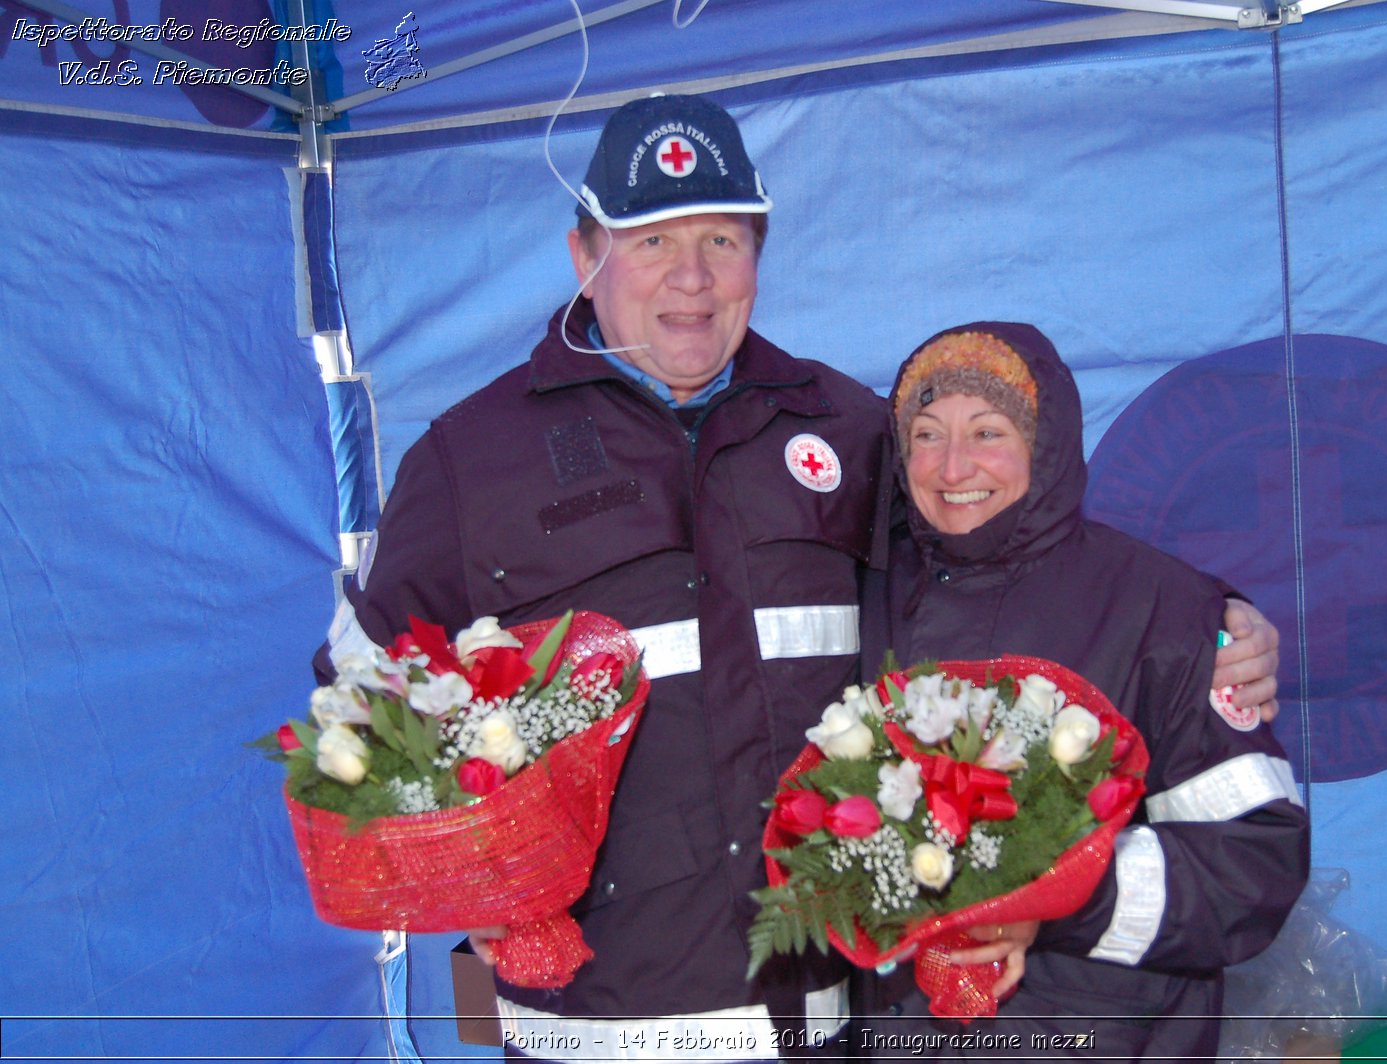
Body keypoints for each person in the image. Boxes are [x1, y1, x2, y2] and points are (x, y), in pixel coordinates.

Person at [314, 94, 1283, 1060]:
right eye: (651, 242)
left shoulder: (845, 425)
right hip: (588, 1032)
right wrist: (452, 871)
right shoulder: (471, 458)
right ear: (583, 257)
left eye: (723, 241)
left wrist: (1213, 623)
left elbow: (996, 556)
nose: (690, 279)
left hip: (822, 1021)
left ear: (759, 257)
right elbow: (358, 697)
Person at [857, 322, 1311, 1059]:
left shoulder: (1165, 608)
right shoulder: (864, 594)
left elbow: (1253, 865)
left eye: (988, 431)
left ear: (1047, 444)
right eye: (927, 435)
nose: (952, 466)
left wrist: (1060, 896)